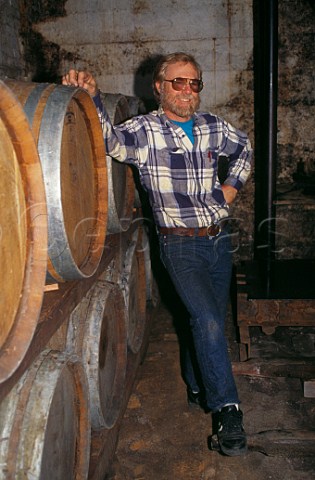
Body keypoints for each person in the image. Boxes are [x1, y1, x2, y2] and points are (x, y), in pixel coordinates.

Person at [62, 52, 252, 457]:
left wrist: (231, 188)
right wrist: (92, 97)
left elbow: (245, 147)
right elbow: (111, 143)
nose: (187, 91)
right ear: (160, 88)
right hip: (180, 244)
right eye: (178, 83)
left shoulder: (212, 127)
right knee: (207, 321)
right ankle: (227, 412)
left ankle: (198, 384)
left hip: (220, 239)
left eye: (194, 83)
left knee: (207, 322)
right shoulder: (145, 130)